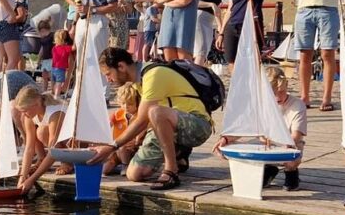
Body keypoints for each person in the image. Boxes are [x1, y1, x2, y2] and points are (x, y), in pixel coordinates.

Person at [90, 47, 213, 190]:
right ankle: (178, 153)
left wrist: (112, 146)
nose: (108, 79)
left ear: (121, 66)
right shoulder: (138, 82)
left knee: (155, 112)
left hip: (197, 124)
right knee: (135, 174)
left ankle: (171, 170)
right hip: (169, 124)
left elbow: (142, 120)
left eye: (108, 74)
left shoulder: (153, 74)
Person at [13, 86, 69, 195]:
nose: (23, 115)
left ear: (36, 104)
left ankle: (68, 162)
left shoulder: (55, 112)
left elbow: (54, 149)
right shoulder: (29, 116)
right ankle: (42, 159)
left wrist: (32, 179)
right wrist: (22, 177)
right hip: (59, 145)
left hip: (75, 143)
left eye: (25, 111)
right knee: (39, 132)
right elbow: (29, 148)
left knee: (41, 132)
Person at [264, 66, 306, 191]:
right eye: (273, 94)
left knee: (292, 154)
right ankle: (268, 169)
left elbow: (296, 134)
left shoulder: (297, 105)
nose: (278, 97)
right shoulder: (262, 104)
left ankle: (291, 172)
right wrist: (227, 138)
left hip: (289, 143)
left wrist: (286, 143)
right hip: (267, 144)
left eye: (281, 92)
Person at [195, 0, 224, 66]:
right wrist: (210, 4)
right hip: (200, 17)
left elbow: (217, 11)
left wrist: (221, 28)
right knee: (201, 49)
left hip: (210, 20)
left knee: (205, 50)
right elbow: (195, 1)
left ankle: (198, 71)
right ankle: (196, 74)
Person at [51, 29, 74, 97]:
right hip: (60, 69)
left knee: (53, 82)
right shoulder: (65, 48)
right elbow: (74, 48)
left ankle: (53, 94)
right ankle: (56, 96)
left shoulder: (54, 48)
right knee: (59, 83)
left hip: (53, 67)